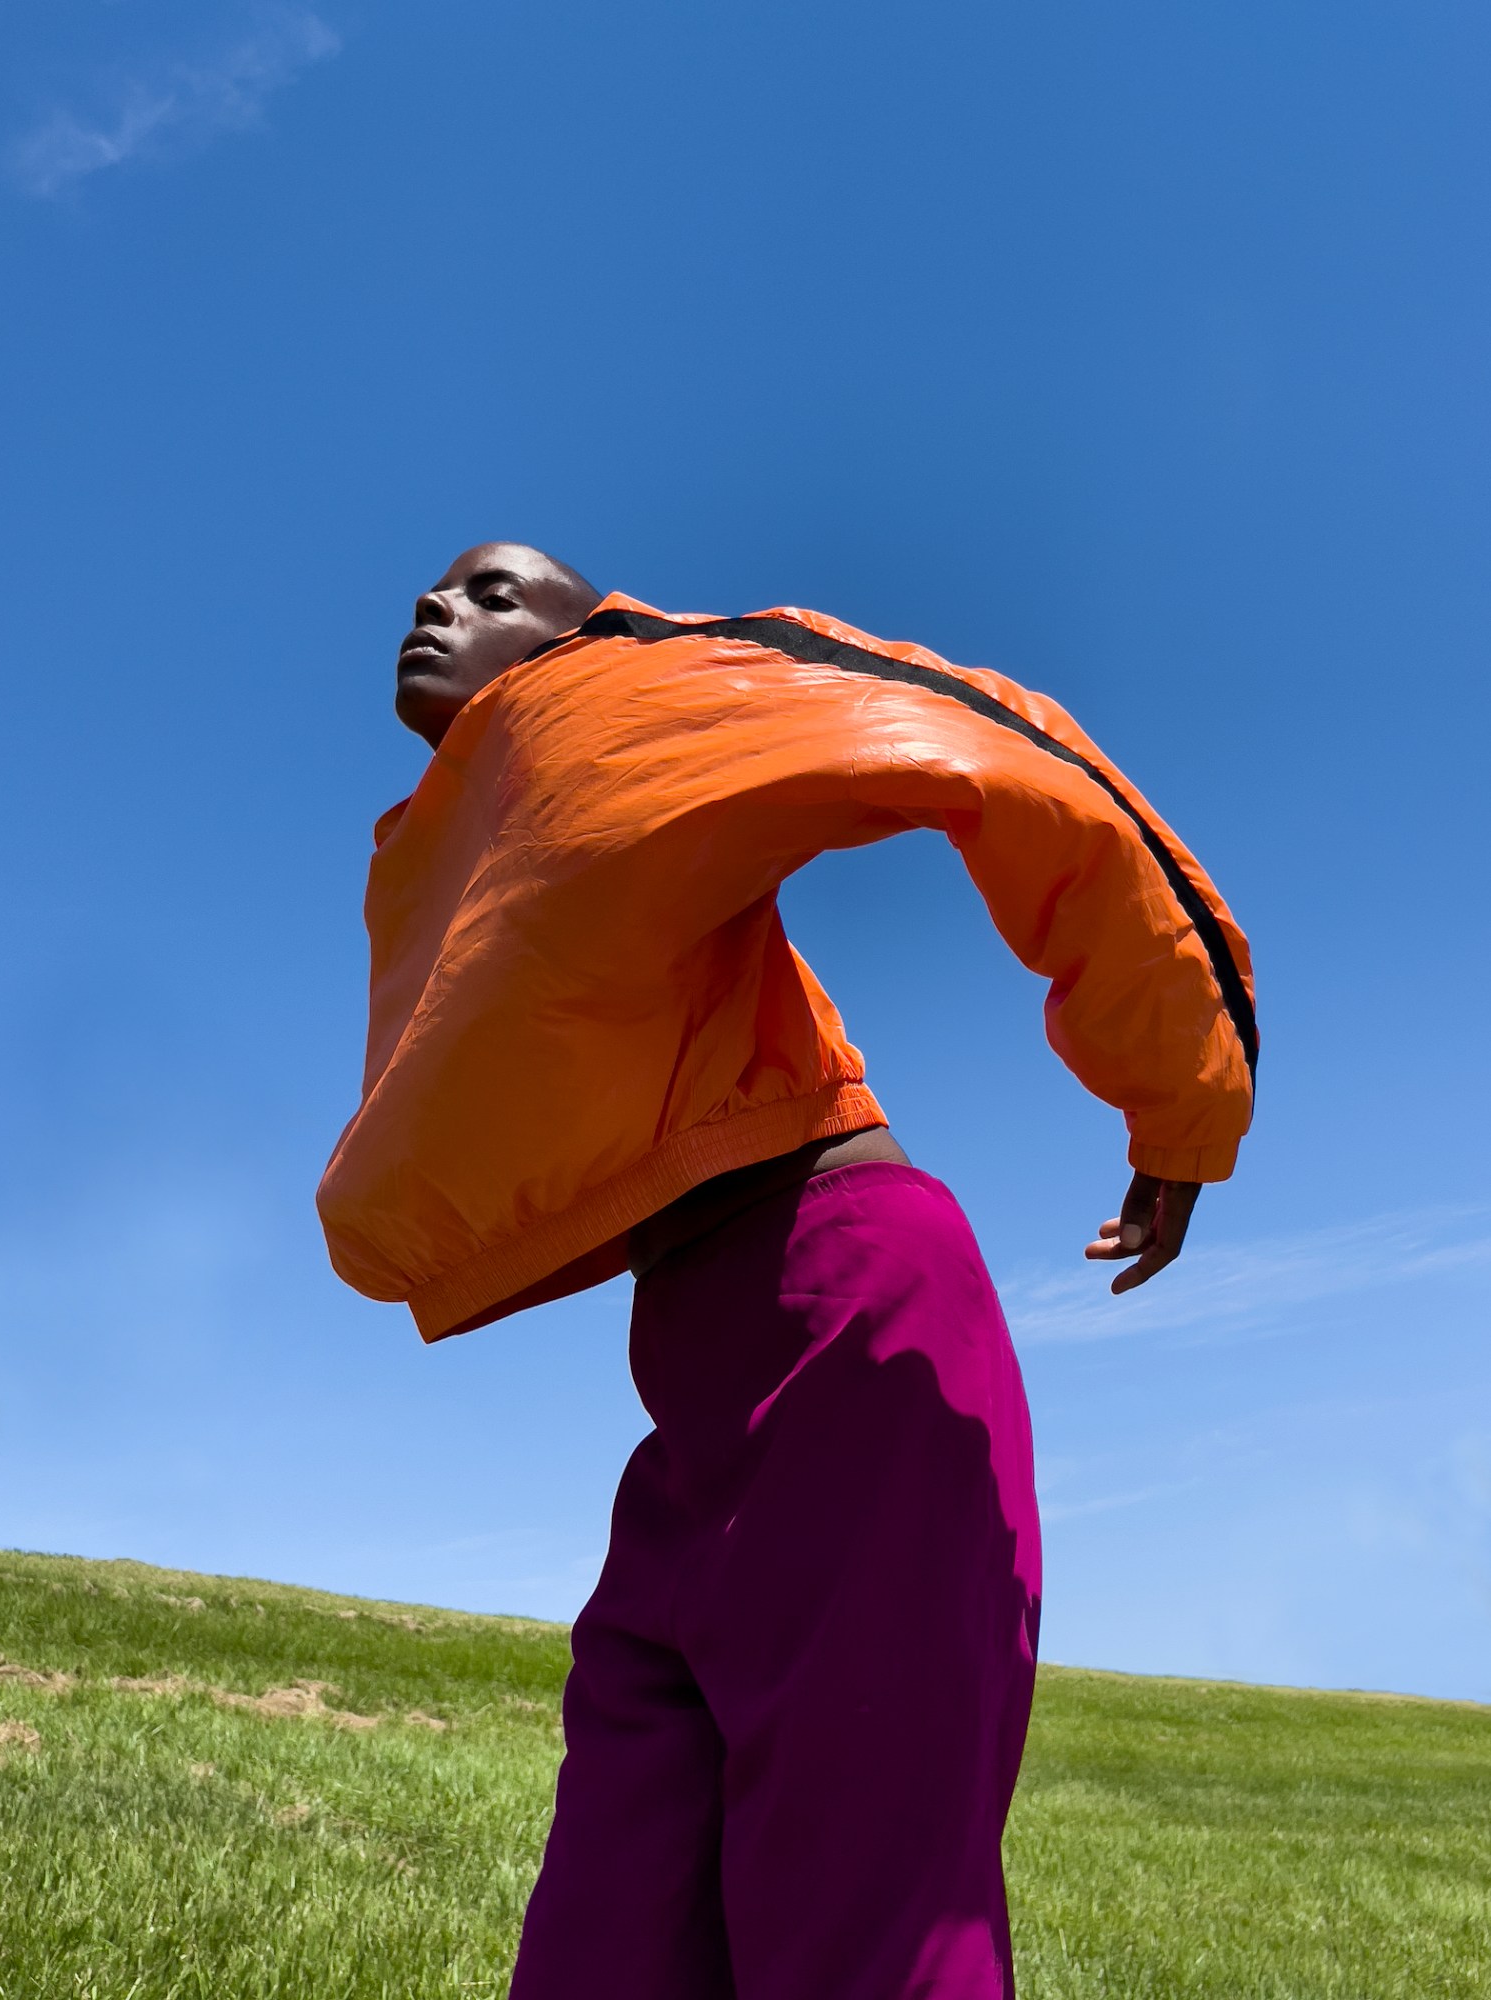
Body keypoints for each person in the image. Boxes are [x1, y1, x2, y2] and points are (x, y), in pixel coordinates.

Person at [317, 542, 1256, 2000]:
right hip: (696, 1364)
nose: (440, 607)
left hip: (855, 1315)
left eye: (498, 591)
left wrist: (1182, 1101)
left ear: (589, 626)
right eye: (438, 590)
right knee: (612, 1925)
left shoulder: (640, 691)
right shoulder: (467, 820)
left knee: (864, 1914)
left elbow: (1012, 759)